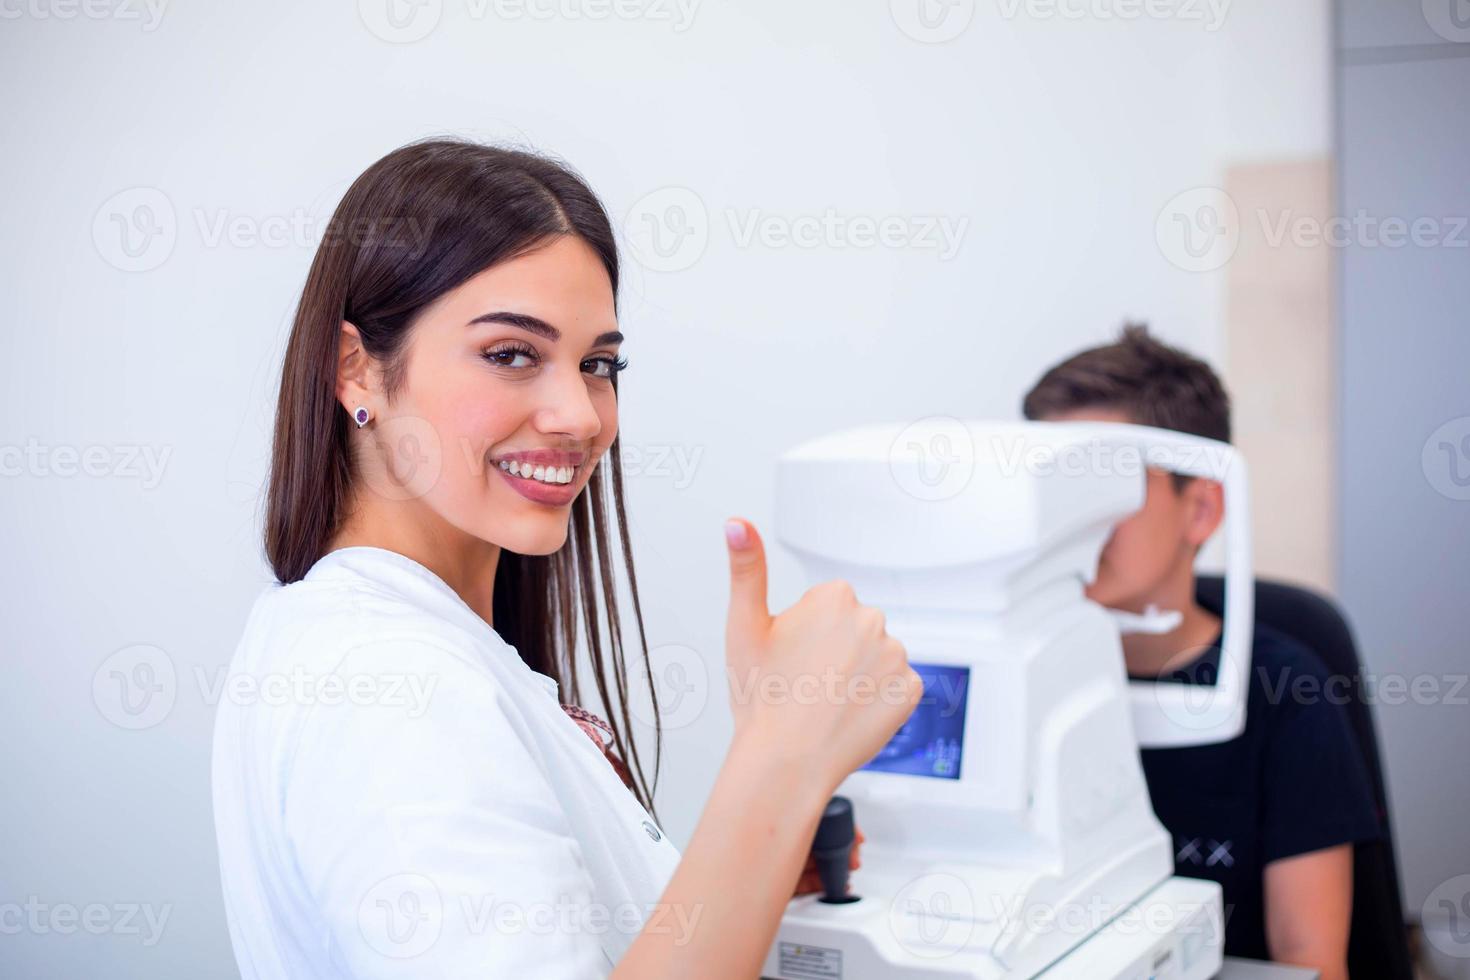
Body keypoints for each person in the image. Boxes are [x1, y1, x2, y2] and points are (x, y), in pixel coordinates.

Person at [211, 137, 920, 978]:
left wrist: (750, 870)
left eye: (598, 364)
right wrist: (781, 759)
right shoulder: (392, 686)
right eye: (512, 354)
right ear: (355, 370)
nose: (579, 415)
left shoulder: (384, 647)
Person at [1022, 325, 1381, 980]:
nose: (1074, 519)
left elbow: (1311, 961)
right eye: (1058, 486)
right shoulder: (1019, 677)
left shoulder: (1285, 694)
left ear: (1201, 509)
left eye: (1107, 484)